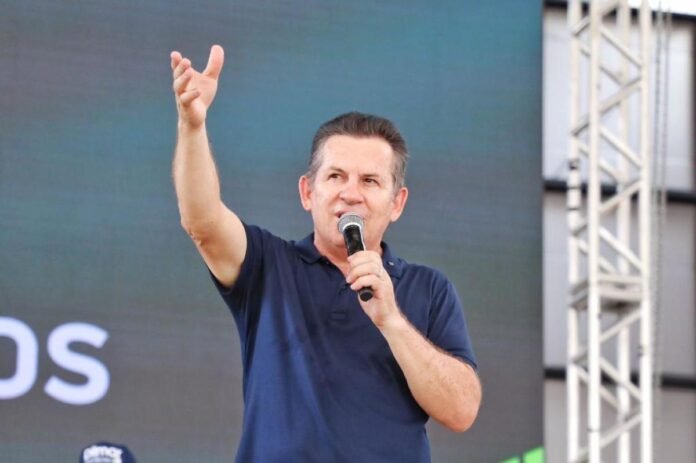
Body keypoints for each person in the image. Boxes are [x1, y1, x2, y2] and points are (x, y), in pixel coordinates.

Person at [170, 44, 481, 463]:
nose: (350, 193)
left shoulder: (428, 289)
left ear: (397, 203)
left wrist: (391, 320)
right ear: (307, 192)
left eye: (369, 181)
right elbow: (202, 222)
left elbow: (461, 410)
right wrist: (192, 125)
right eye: (335, 176)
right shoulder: (269, 266)